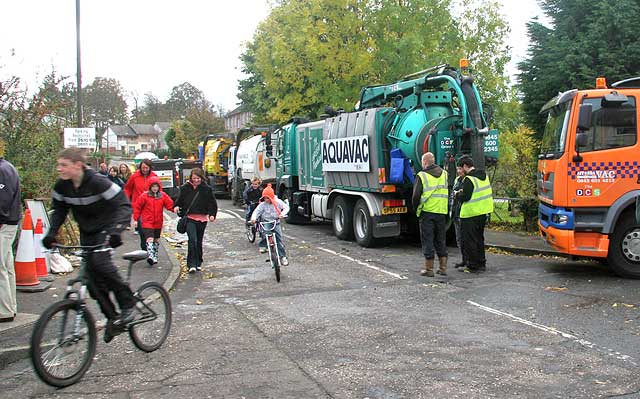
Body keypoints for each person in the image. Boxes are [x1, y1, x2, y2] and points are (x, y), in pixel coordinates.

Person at [42, 148, 136, 343]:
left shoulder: (98, 182)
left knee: (100, 263)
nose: (59, 169)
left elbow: (123, 204)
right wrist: (51, 233)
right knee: (91, 280)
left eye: (63, 165)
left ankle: (128, 304)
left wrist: (117, 231)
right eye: (59, 165)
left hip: (108, 227)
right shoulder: (62, 186)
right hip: (87, 231)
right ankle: (113, 318)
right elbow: (59, 210)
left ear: (78, 165)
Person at [174, 168, 218, 273]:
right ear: (191, 178)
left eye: (198, 178)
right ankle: (191, 264)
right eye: (194, 178)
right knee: (192, 240)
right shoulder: (185, 188)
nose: (196, 180)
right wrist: (176, 206)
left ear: (202, 178)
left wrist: (212, 215)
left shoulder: (206, 189)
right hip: (190, 218)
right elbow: (179, 200)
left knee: (198, 241)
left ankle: (198, 262)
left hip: (202, 219)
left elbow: (212, 203)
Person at [412, 152, 448, 277]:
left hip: (427, 212)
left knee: (428, 240)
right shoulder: (444, 174)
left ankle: (429, 269)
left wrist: (415, 208)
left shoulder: (422, 175)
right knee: (440, 239)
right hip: (441, 212)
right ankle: (443, 268)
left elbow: (416, 196)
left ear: (425, 162)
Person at [457, 155, 494, 274]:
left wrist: (458, 194)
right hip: (483, 212)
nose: (461, 170)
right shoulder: (484, 176)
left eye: (461, 167)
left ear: (465, 166)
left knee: (470, 241)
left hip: (470, 213)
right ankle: (481, 262)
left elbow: (466, 197)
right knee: (479, 238)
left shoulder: (469, 179)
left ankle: (472, 265)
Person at [133, 177, 174, 265]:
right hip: (147, 221)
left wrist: (176, 209)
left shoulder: (163, 195)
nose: (155, 188)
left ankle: (154, 256)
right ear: (150, 187)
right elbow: (137, 207)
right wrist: (136, 219)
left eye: (156, 186)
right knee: (149, 238)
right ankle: (151, 256)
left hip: (158, 222)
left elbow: (169, 205)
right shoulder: (144, 196)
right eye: (153, 186)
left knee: (156, 239)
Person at [0, 157, 21, 323]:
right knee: (7, 266)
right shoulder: (8, 167)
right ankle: (10, 307)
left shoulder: (2, 170)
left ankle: (4, 310)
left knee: (1, 268)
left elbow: (3, 199)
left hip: (4, 224)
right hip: (10, 222)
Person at [250, 184, 290, 266]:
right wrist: (253, 219)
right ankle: (264, 245)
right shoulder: (262, 205)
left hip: (276, 222)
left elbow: (286, 207)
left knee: (279, 240)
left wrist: (282, 214)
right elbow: (256, 212)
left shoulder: (278, 202)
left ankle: (282, 257)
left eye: (268, 198)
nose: (266, 200)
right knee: (265, 234)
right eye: (265, 198)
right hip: (266, 222)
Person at [124, 159, 158, 250]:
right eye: (143, 168)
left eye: (147, 168)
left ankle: (152, 251)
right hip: (139, 207)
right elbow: (127, 189)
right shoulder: (134, 176)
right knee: (142, 230)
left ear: (150, 168)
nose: (145, 170)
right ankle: (145, 248)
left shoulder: (154, 177)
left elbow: (159, 190)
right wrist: (126, 199)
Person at [451, 165, 466, 268]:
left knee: (465, 239)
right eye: (458, 169)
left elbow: (463, 194)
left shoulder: (467, 181)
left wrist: (458, 193)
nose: (458, 171)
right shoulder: (457, 180)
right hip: (456, 212)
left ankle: (467, 260)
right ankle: (464, 259)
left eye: (460, 169)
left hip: (463, 213)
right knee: (459, 239)